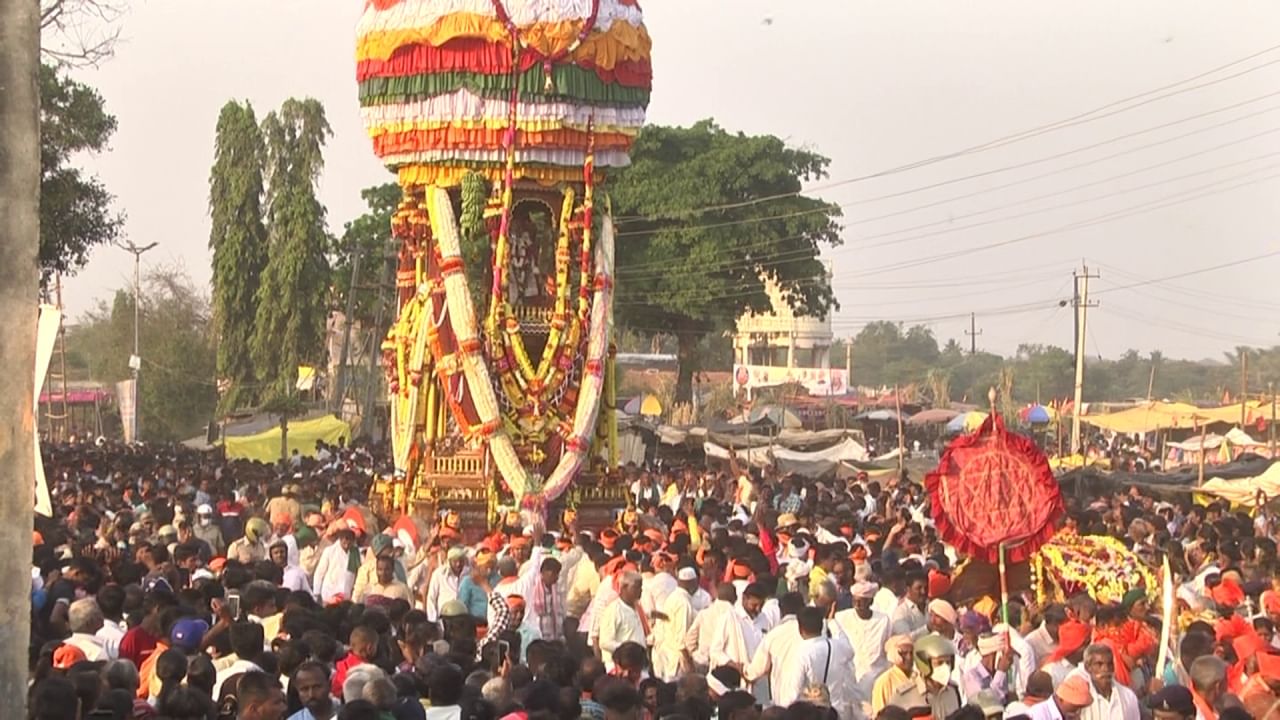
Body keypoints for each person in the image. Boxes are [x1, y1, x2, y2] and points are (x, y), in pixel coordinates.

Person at [773, 607, 857, 718]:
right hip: (835, 712)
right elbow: (849, 649)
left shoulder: (802, 653)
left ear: (800, 629)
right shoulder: (838, 646)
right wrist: (832, 622)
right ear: (822, 626)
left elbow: (793, 693)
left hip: (811, 714)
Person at [832, 581, 891, 701]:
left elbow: (887, 649)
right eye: (855, 600)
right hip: (851, 679)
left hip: (876, 677)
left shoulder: (883, 620)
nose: (857, 604)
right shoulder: (841, 617)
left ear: (871, 602)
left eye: (862, 600)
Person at [888, 632, 962, 719]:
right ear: (924, 664)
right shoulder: (903, 696)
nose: (945, 667)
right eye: (939, 663)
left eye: (948, 663)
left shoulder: (953, 691)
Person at [652, 566, 698, 682]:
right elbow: (681, 637)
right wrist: (689, 664)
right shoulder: (683, 603)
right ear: (693, 583)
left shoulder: (673, 597)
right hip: (676, 659)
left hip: (666, 654)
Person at [597, 571, 650, 671]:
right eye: (637, 587)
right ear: (624, 587)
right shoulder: (613, 610)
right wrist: (629, 650)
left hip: (638, 666)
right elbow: (604, 642)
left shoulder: (636, 608)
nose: (640, 591)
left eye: (641, 587)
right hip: (619, 668)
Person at [1073, 643, 1139, 720]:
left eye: (1109, 664)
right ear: (1088, 667)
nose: (1106, 669)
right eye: (1099, 664)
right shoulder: (1079, 698)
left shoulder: (1128, 697)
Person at [871, 634, 917, 717]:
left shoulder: (919, 677)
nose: (909, 657)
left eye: (911, 652)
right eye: (903, 653)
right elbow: (879, 713)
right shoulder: (884, 682)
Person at [1025, 674, 1093, 720]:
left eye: (1080, 707)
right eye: (1074, 706)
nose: (1077, 711)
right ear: (1061, 699)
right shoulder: (1039, 715)